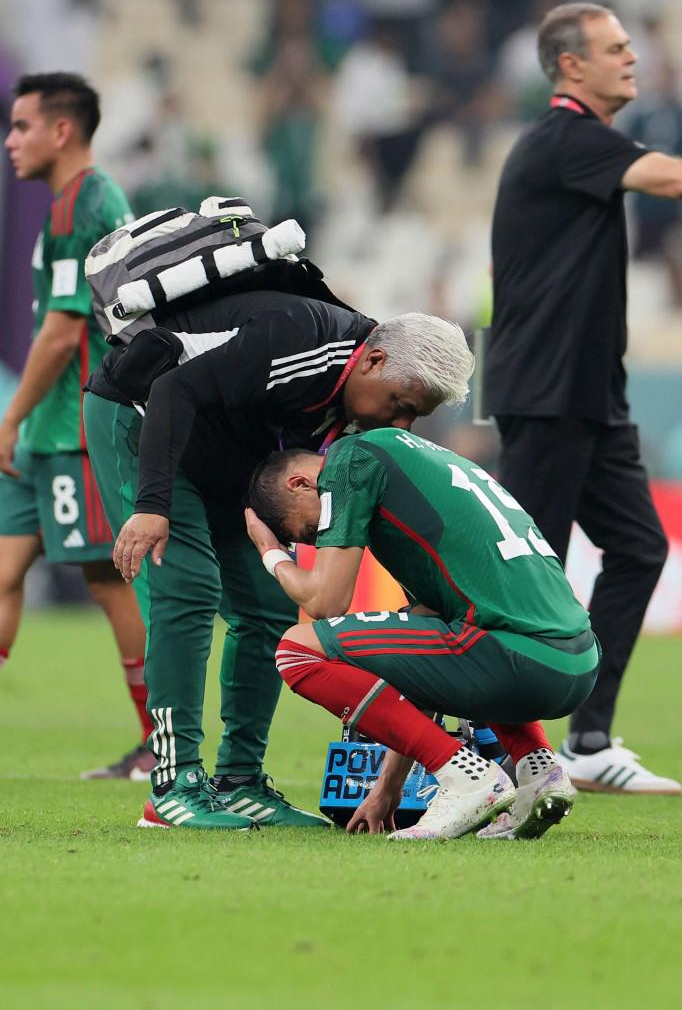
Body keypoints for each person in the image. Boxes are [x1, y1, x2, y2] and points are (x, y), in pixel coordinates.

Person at [84, 306, 474, 829]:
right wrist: (152, 504)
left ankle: (239, 781)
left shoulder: (352, 402)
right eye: (400, 405)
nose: (399, 424)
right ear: (374, 360)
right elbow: (175, 390)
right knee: (190, 586)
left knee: (268, 603)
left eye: (413, 416)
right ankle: (173, 785)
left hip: (221, 447)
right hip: (142, 416)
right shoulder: (304, 342)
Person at [483, 3, 682, 795]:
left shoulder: (583, 144)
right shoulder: (562, 137)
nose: (633, 59)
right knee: (528, 577)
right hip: (546, 392)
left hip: (592, 394)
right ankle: (489, 750)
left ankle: (589, 741)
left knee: (638, 549)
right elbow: (668, 177)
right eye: (616, 49)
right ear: (571, 67)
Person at [245, 427, 599, 840]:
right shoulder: (420, 470)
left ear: (301, 483)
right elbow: (421, 667)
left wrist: (271, 553)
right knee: (444, 639)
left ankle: (470, 779)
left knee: (297, 651)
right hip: (578, 661)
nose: (320, 539)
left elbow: (326, 603)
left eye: (308, 533)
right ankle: (538, 769)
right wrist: (388, 787)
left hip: (517, 659)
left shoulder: (351, 461)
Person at [0, 72, 153, 780]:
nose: (10, 141)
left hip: (74, 425)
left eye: (22, 126)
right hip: (49, 431)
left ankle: (164, 741)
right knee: (4, 573)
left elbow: (62, 333)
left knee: (108, 578)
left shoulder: (82, 205)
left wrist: (12, 417)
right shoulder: (77, 201)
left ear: (62, 131)